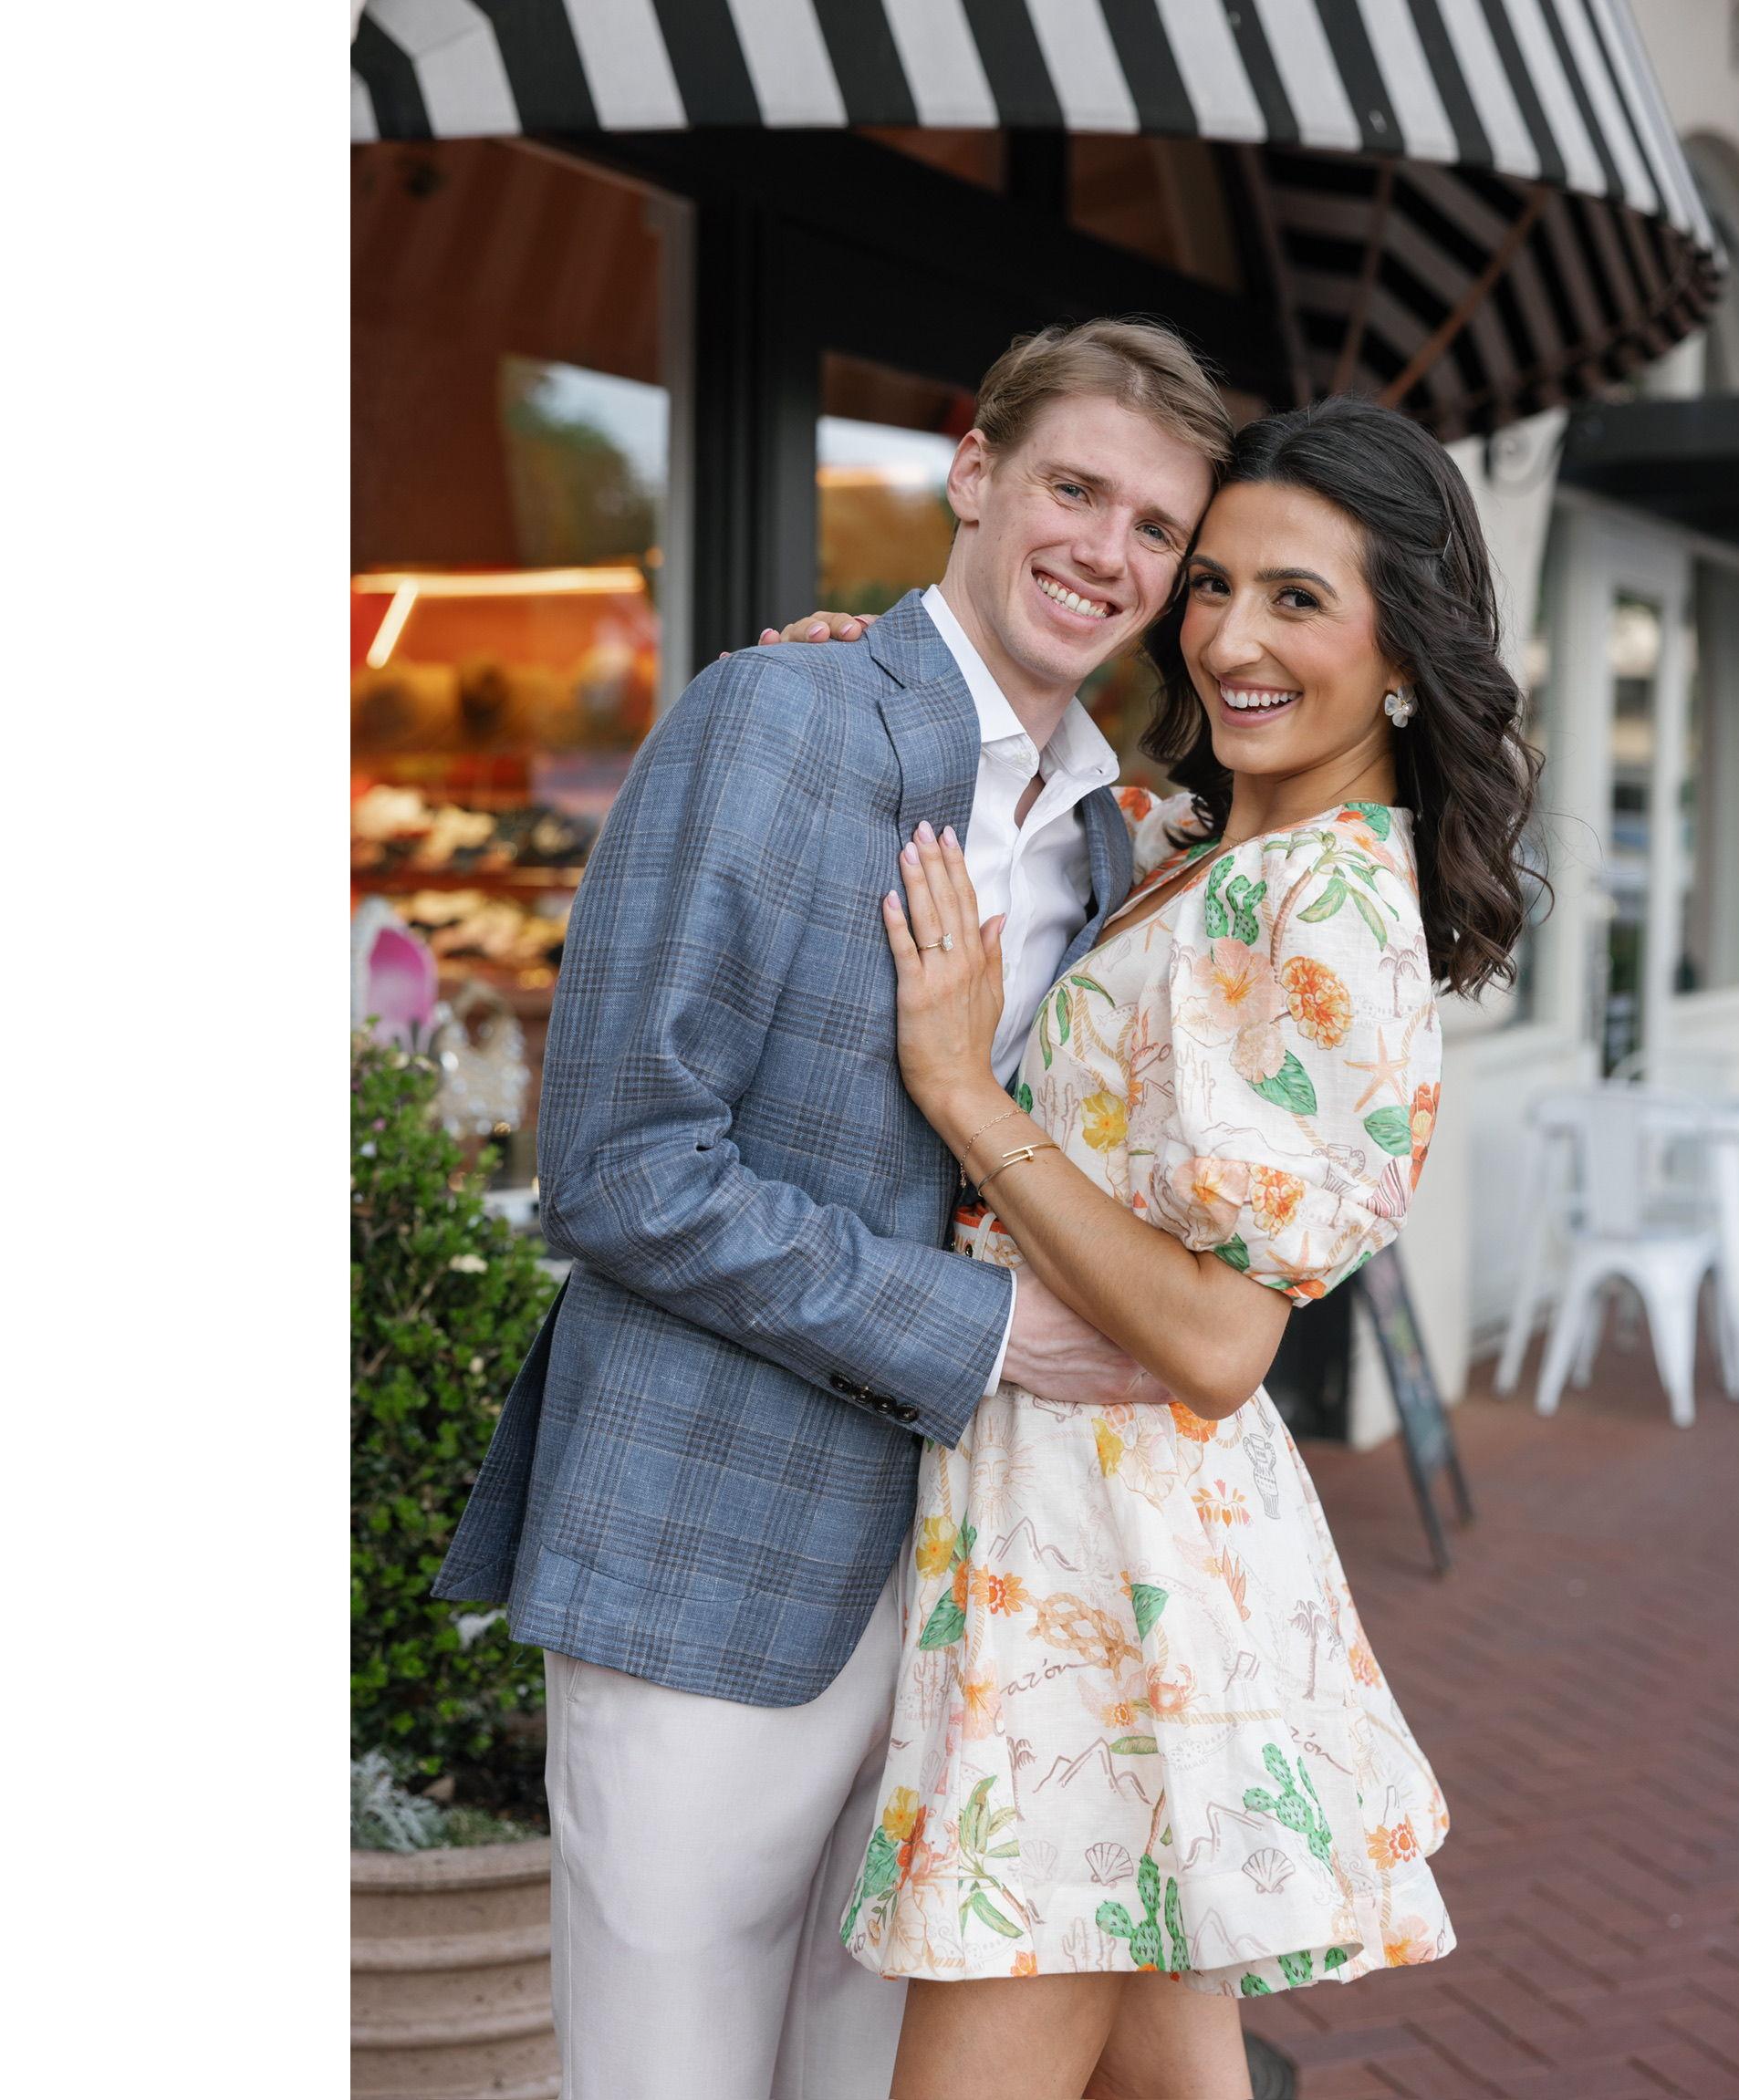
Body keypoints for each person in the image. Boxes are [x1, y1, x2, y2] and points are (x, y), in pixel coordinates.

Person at [430, 318, 1235, 2100]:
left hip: (962, 1584)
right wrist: (988, 1329)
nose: (1105, 550)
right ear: (974, 471)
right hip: (704, 1537)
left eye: (1155, 527)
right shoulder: (773, 717)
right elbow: (624, 1164)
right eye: (1074, 488)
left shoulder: (1109, 834)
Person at [777, 395, 1541, 2099]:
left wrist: (962, 1092)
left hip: (1115, 1557)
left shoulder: (1319, 900)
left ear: (1400, 652)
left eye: (1297, 599)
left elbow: (1215, 1340)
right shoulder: (1205, 846)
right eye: (1212, 584)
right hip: (1079, 1535)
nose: (1228, 638)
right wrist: (866, 684)